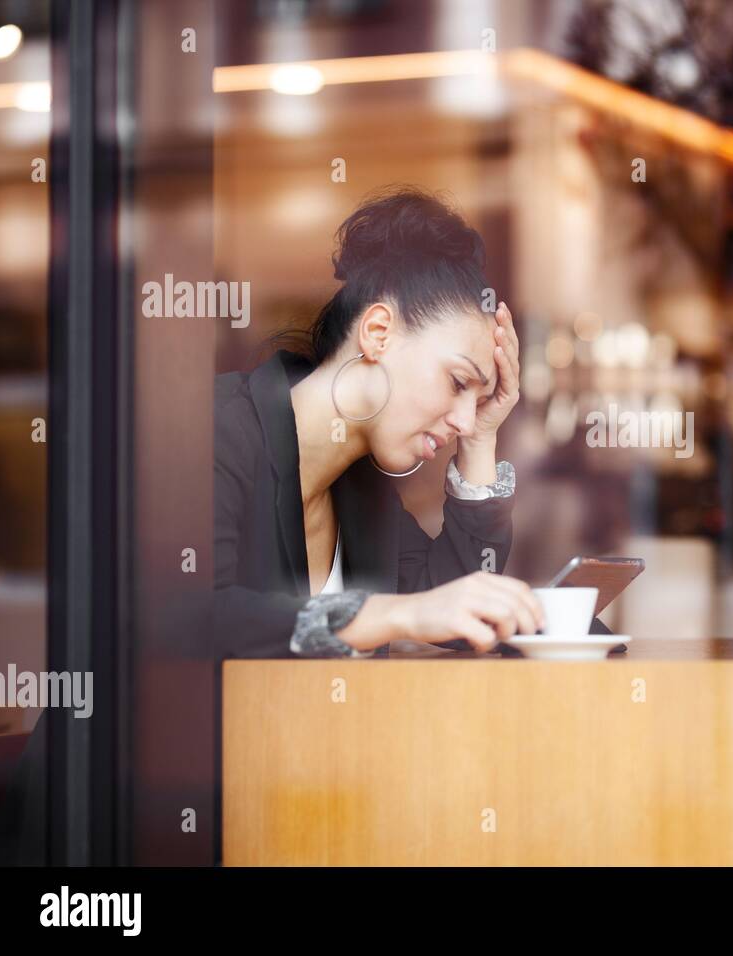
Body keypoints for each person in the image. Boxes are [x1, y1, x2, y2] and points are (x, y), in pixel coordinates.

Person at [213, 186, 550, 661]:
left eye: (478, 400)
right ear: (377, 333)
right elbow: (188, 614)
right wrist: (395, 614)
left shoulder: (360, 489)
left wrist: (480, 438)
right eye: (458, 383)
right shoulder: (219, 431)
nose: (463, 418)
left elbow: (453, 614)